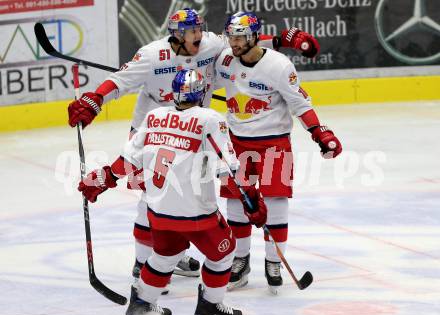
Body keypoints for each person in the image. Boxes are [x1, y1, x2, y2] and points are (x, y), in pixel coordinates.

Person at [67, 8, 320, 289]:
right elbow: (120, 81)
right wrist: (95, 100)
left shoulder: (210, 44)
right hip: (153, 130)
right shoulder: (152, 54)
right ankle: (142, 263)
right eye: (193, 31)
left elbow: (245, 44)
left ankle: (173, 254)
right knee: (151, 196)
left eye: (200, 29)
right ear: (177, 34)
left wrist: (287, 38)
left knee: (188, 191)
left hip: (194, 132)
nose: (199, 35)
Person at [78, 69, 267, 315]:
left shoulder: (154, 116)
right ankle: (210, 308)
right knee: (223, 254)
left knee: (164, 255)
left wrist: (104, 178)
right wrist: (252, 200)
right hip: (197, 213)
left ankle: (142, 306)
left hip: (159, 211)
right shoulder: (209, 119)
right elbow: (228, 170)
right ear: (201, 94)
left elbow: (128, 160)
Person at [214, 12, 342, 294]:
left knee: (276, 200)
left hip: (274, 144)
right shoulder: (224, 60)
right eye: (230, 36)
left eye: (239, 37)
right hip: (236, 143)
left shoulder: (279, 66)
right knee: (236, 203)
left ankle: (273, 261)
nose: (233, 42)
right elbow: (200, 79)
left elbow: (300, 102)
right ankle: (240, 260)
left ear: (252, 37)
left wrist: (320, 132)